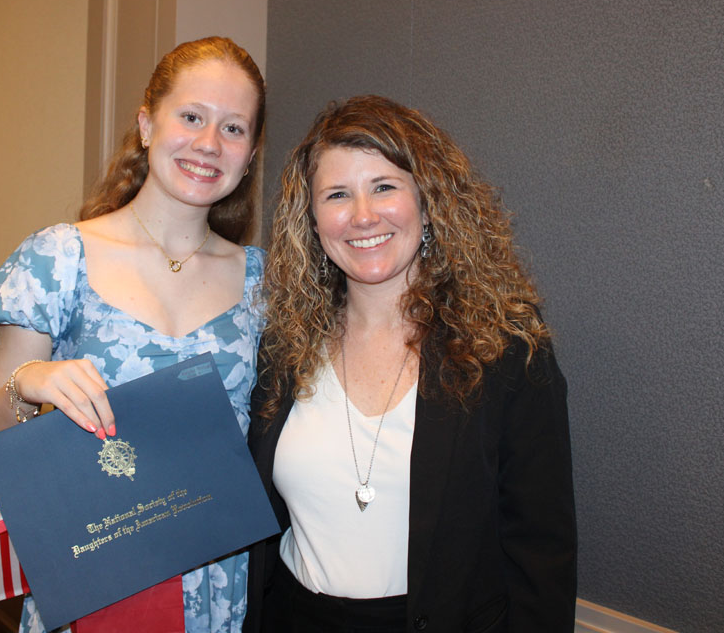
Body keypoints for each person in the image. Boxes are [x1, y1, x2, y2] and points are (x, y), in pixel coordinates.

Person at [0, 37, 266, 633]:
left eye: (233, 128)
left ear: (251, 153)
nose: (209, 144)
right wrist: (32, 383)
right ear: (146, 124)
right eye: (191, 117)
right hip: (95, 574)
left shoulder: (266, 284)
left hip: (221, 584)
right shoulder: (59, 257)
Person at [246, 95, 576, 633]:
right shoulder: (284, 347)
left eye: (383, 186)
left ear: (428, 201)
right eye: (336, 195)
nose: (362, 215)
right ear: (311, 220)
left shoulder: (505, 349)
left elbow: (542, 551)